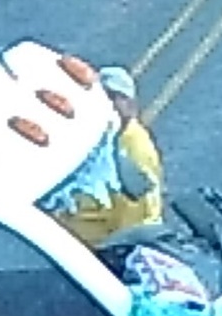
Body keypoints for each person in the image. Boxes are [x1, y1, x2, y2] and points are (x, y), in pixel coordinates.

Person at [59, 65, 168, 248]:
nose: (110, 104)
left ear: (131, 105)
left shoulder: (135, 150)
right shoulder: (104, 135)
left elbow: (134, 224)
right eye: (105, 97)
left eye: (117, 97)